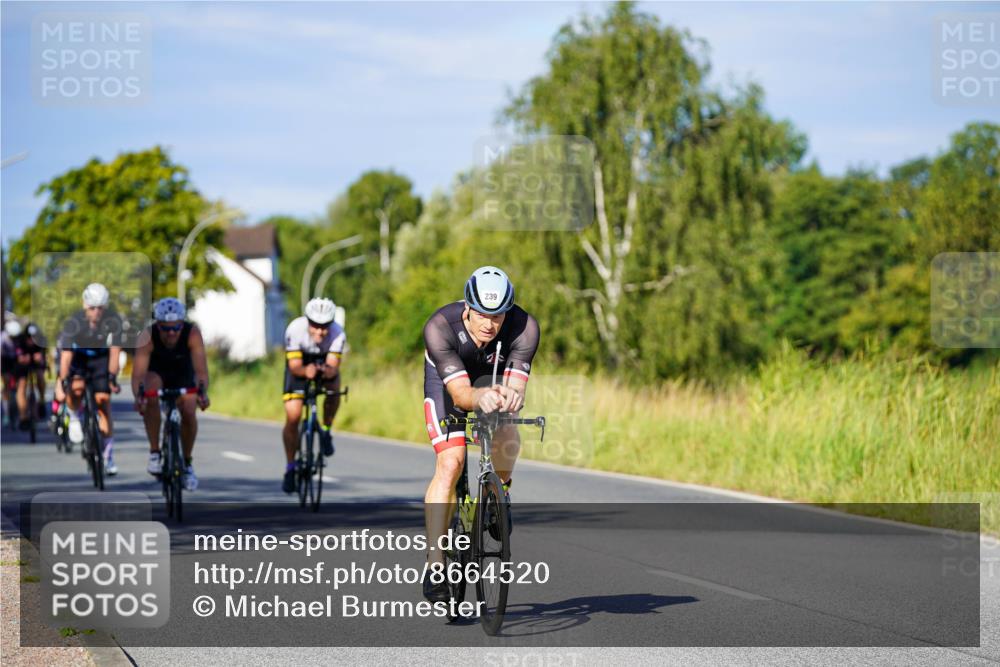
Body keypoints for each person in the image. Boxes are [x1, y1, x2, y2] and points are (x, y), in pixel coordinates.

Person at [420, 266, 539, 602]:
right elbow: (460, 396)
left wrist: (510, 397)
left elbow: (516, 386)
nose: (489, 324)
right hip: (449, 385)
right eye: (482, 315)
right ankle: (435, 564)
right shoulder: (440, 327)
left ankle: (500, 495)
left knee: (508, 428)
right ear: (468, 308)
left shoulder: (524, 328)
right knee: (451, 463)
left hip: (493, 378)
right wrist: (478, 397)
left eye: (497, 316)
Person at [131, 297, 210, 491]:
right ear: (158, 326)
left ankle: (187, 464)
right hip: (157, 373)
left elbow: (201, 371)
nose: (172, 333)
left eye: (176, 327)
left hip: (183, 373)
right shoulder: (147, 336)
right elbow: (138, 375)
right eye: (166, 329)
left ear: (182, 324)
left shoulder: (192, 333)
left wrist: (202, 393)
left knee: (189, 409)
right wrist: (139, 397)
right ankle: (155, 452)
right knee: (150, 392)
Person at [55, 283, 123, 474]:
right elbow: (66, 356)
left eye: (100, 308)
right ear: (85, 305)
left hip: (100, 359)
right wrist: (62, 382)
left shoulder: (113, 320)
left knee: (103, 401)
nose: (96, 312)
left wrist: (112, 377)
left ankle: (108, 456)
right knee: (75, 388)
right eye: (92, 308)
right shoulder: (73, 322)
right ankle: (74, 416)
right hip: (78, 358)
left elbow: (115, 352)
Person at [280, 297, 345, 494]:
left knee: (334, 389)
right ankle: (290, 468)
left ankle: (326, 430)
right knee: (293, 416)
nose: (319, 331)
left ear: (331, 324)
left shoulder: (338, 333)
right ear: (307, 321)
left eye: (324, 327)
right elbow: (294, 366)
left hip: (324, 363)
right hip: (299, 365)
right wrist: (306, 371)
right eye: (315, 325)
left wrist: (324, 371)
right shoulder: (295, 329)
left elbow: (333, 368)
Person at [12, 322, 48, 429]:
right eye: (29, 337)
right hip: (23, 365)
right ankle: (23, 416)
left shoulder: (42, 340)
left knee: (40, 376)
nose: (32, 340)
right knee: (22, 385)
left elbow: (42, 355)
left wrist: (40, 357)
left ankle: (41, 399)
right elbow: (18, 356)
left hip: (36, 364)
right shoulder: (20, 340)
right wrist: (22, 358)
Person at [2, 320, 20, 427]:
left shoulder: (19, 338)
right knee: (6, 385)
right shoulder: (2, 338)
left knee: (19, 384)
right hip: (4, 361)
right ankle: (6, 413)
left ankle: (19, 407)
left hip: (15, 361)